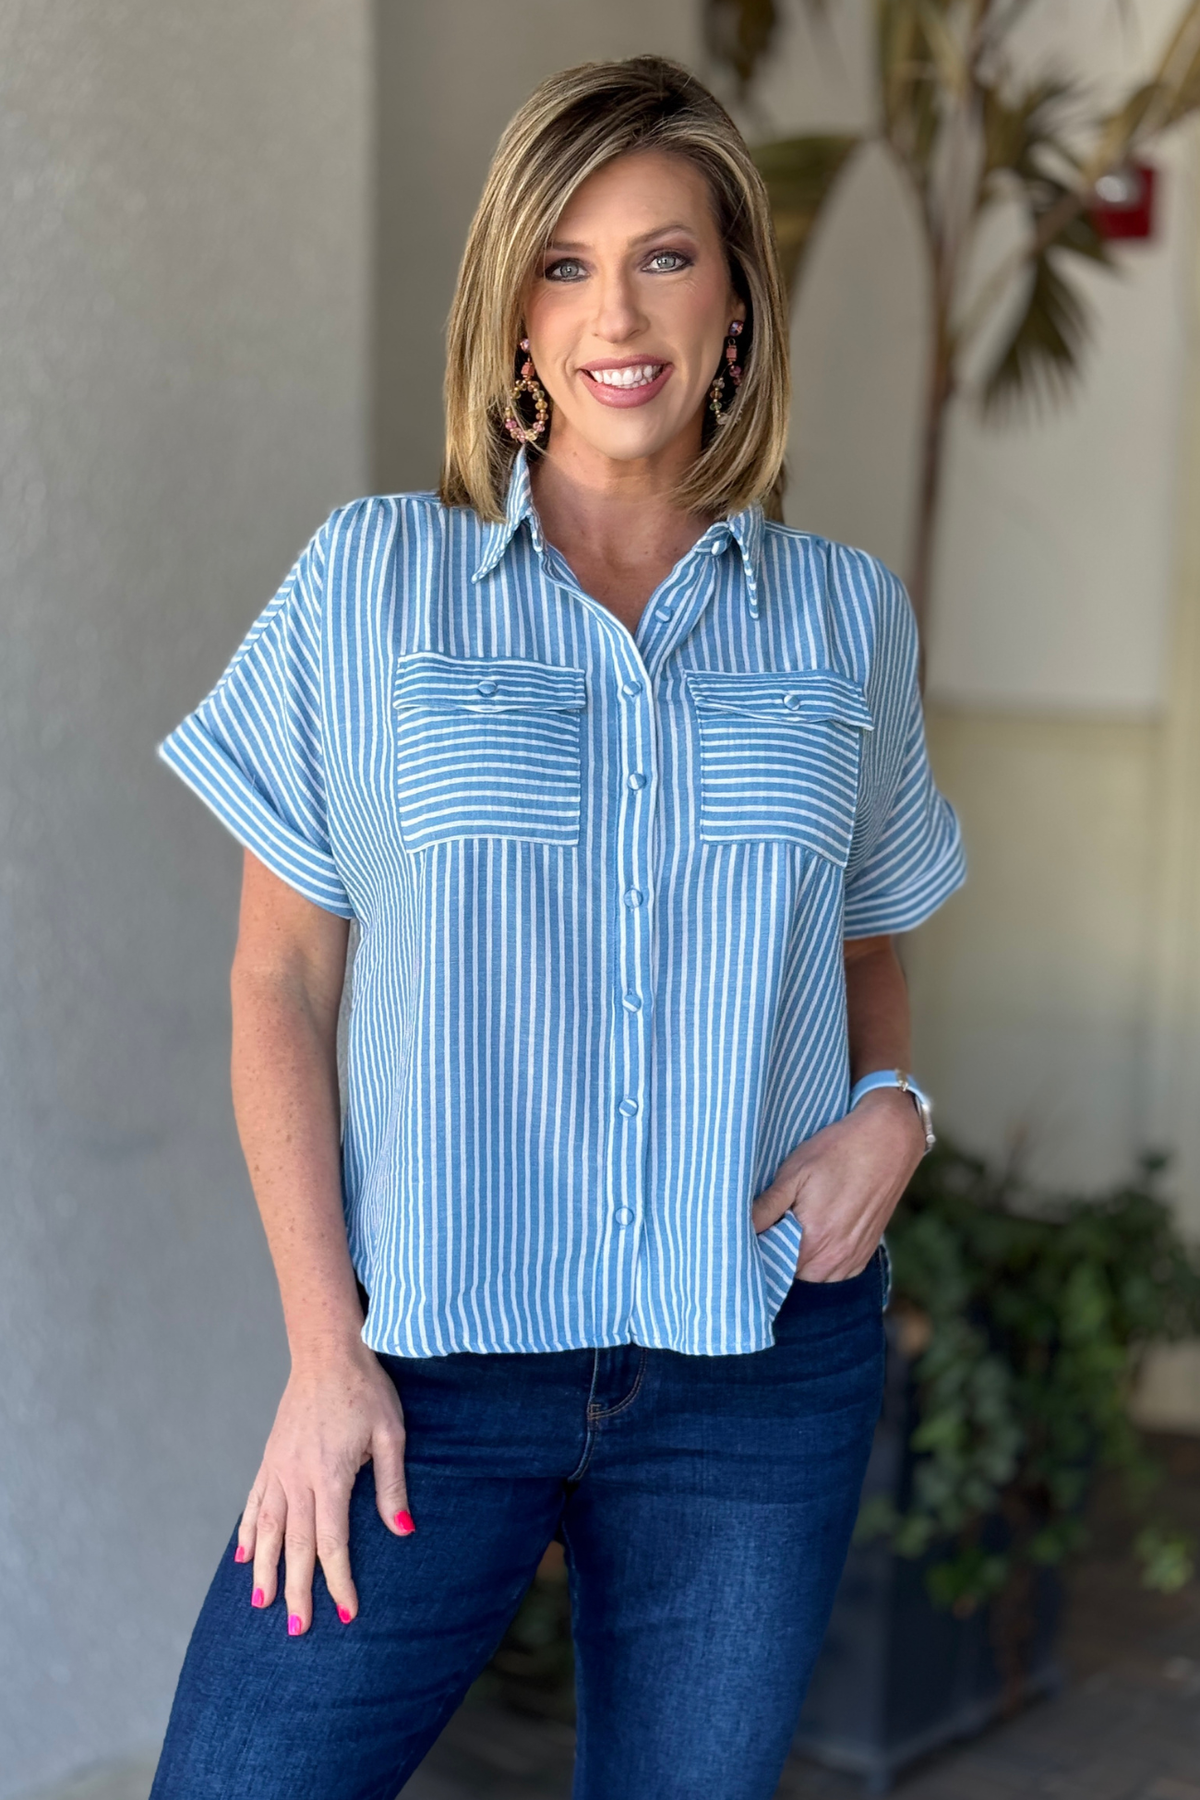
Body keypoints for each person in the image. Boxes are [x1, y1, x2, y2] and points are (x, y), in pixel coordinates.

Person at [150, 54, 964, 1800]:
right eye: (567, 262)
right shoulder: (375, 582)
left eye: (668, 257)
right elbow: (277, 979)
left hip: (754, 1369)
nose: (620, 311)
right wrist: (320, 1353)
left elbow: (871, 932)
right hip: (424, 1368)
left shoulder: (842, 620)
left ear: (737, 301)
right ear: (513, 315)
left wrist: (894, 1108)